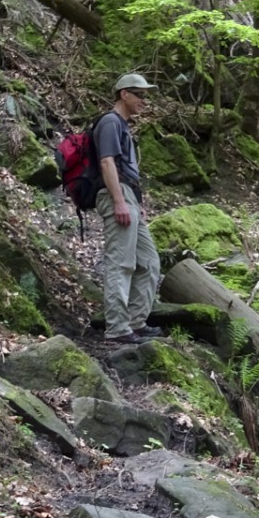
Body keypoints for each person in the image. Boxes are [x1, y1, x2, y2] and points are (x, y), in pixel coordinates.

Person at [94, 73, 162, 344]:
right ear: (124, 94)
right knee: (121, 262)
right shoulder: (110, 122)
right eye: (140, 95)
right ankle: (118, 329)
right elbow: (107, 162)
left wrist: (136, 203)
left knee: (148, 262)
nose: (144, 101)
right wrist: (119, 200)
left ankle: (136, 321)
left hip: (128, 196)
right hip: (116, 194)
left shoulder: (122, 126)